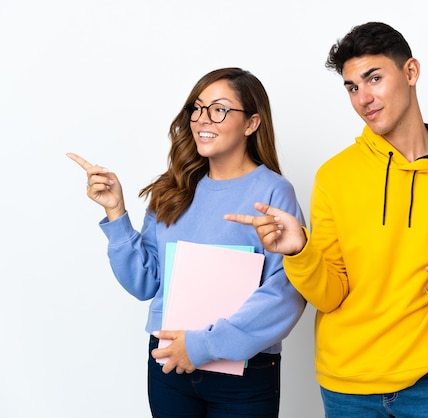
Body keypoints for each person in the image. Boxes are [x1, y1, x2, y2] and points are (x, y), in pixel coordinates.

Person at [225, 22, 428, 417]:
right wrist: (299, 250)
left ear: (410, 72)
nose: (363, 98)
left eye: (373, 78)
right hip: (346, 387)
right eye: (352, 87)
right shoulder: (335, 176)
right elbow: (330, 294)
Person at [67, 67, 306, 418]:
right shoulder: (173, 187)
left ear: (251, 123)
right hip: (169, 363)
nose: (202, 119)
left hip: (244, 372)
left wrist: (201, 346)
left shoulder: (274, 192)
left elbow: (285, 293)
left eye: (219, 109)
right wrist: (117, 212)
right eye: (197, 108)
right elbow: (144, 282)